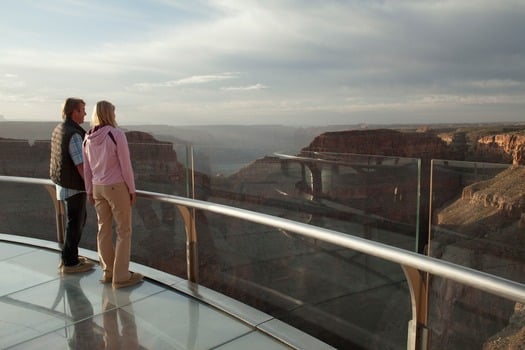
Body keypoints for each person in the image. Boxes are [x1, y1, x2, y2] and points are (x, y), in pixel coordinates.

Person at [82, 100, 143, 289]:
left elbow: (87, 168)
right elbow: (126, 166)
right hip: (116, 187)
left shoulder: (87, 137)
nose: (115, 116)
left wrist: (89, 191)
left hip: (97, 187)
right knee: (124, 231)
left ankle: (108, 273)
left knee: (103, 229)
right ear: (109, 114)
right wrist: (132, 190)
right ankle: (121, 277)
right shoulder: (116, 135)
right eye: (114, 112)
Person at [50, 97, 95, 274]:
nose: (85, 113)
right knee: (76, 223)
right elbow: (80, 165)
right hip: (73, 186)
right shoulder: (75, 134)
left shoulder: (60, 128)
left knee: (75, 221)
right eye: (82, 109)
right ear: (73, 112)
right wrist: (90, 187)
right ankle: (70, 263)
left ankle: (71, 256)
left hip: (63, 183)